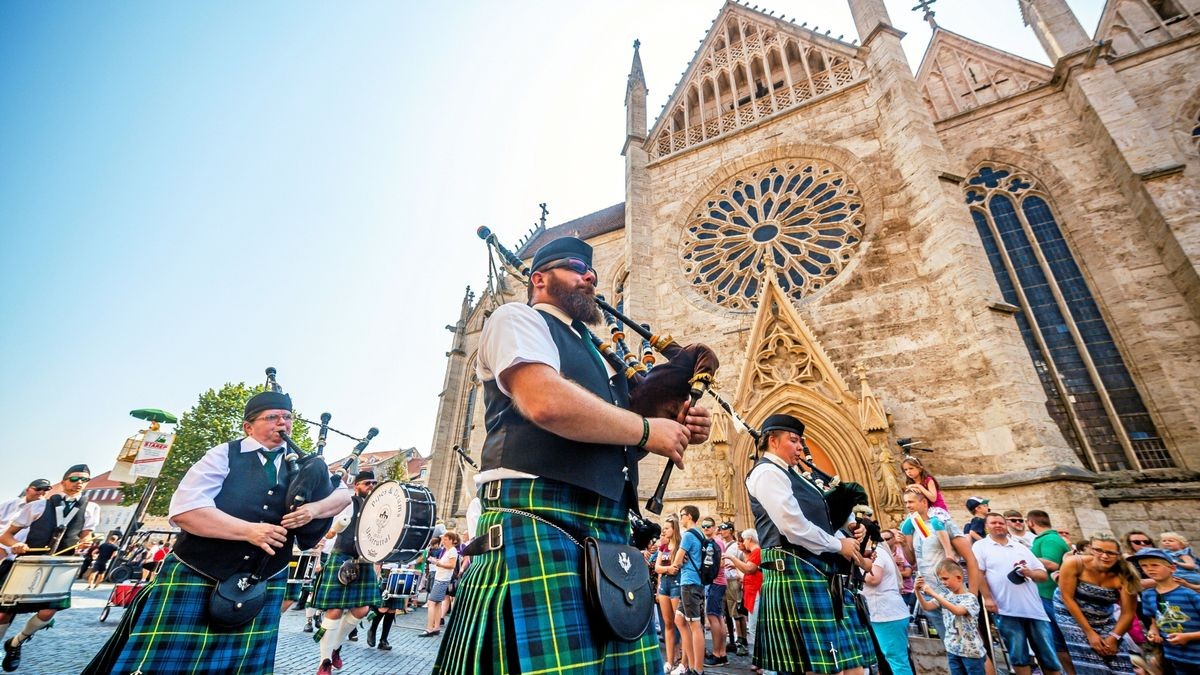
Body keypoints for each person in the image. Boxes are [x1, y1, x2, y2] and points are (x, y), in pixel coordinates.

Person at [431, 236, 710, 674]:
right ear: (539, 279)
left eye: (592, 271)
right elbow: (546, 402)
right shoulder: (516, 318)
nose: (591, 276)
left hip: (607, 535)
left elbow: (615, 448)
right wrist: (644, 430)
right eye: (577, 266)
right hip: (537, 520)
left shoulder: (604, 360)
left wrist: (674, 427)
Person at [82, 389, 351, 675]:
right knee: (167, 665)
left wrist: (314, 509)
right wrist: (249, 531)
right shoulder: (224, 454)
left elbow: (343, 496)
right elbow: (185, 511)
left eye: (287, 417)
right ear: (248, 426)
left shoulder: (303, 465)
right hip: (200, 572)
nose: (282, 423)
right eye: (272, 417)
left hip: (264, 578)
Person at [744, 413, 874, 675]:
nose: (801, 447)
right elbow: (792, 526)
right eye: (793, 440)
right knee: (821, 670)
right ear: (772, 440)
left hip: (820, 573)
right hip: (793, 571)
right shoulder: (767, 472)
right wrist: (840, 546)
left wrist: (848, 528)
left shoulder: (796, 474)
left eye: (800, 441)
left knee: (853, 667)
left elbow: (820, 513)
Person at [0, 464, 99, 672]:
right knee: (3, 613)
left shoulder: (91, 508)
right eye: (74, 478)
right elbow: (6, 536)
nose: (79, 482)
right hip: (28, 563)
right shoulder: (37, 506)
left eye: (84, 479)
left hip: (60, 566)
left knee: (48, 612)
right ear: (63, 482)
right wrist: (15, 545)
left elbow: (86, 535)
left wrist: (86, 542)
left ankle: (16, 643)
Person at [973, 512, 1063, 675]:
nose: (998, 525)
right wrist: (987, 598)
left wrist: (1030, 573)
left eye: (1001, 522)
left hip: (1034, 610)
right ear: (986, 527)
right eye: (993, 523)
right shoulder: (980, 546)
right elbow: (978, 573)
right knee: (1018, 656)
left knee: (1048, 656)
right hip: (1006, 608)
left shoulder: (1020, 547)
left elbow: (1042, 575)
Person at [311, 470, 380, 675]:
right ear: (357, 485)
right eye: (367, 483)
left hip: (364, 560)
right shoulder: (347, 502)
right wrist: (331, 532)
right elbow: (331, 525)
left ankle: (335, 647)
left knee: (361, 610)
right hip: (342, 556)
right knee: (335, 610)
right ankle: (324, 661)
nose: (371, 486)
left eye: (374, 483)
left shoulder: (378, 508)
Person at [1052, 533, 1140, 674]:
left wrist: (1114, 637)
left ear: (1118, 555)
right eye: (1099, 550)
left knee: (1115, 654)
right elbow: (1067, 598)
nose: (1104, 556)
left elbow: (1128, 612)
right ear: (1092, 550)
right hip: (1069, 612)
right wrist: (1089, 633)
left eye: (1110, 553)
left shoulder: (1125, 574)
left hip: (1102, 616)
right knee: (1090, 653)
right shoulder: (1075, 563)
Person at [1129, 547, 1200, 675]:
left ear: (1172, 568)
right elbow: (1154, 621)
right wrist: (1153, 632)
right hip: (1175, 656)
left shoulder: (1190, 595)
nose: (1149, 569)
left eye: (1155, 565)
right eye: (1143, 566)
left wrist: (1189, 636)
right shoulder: (1148, 595)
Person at [916, 559, 988, 675]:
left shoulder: (970, 598)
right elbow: (926, 607)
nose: (943, 583)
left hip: (971, 652)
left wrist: (933, 593)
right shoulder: (944, 595)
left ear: (959, 578)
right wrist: (917, 591)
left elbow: (958, 611)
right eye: (940, 580)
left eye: (945, 579)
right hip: (952, 650)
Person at [1029, 509, 1076, 671]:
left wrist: (1024, 556)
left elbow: (1052, 564)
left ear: (1030, 523)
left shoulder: (1050, 539)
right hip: (1047, 595)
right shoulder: (1045, 539)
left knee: (1060, 641)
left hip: (1052, 596)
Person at [861, 533, 914, 675]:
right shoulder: (877, 551)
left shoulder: (877, 552)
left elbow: (874, 579)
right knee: (893, 660)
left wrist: (855, 572)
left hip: (886, 614)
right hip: (885, 613)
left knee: (897, 661)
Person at [673, 506, 707, 674]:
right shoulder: (700, 534)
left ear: (690, 516)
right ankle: (692, 665)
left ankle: (698, 670)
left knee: (695, 625)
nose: (681, 519)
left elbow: (678, 561)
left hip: (689, 582)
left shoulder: (687, 535)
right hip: (696, 582)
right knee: (679, 620)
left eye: (682, 515)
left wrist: (673, 566)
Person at [698, 516, 728, 668]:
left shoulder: (716, 542)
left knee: (712, 616)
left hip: (716, 582)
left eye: (708, 526)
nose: (705, 528)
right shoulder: (716, 542)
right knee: (718, 617)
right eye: (703, 526)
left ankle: (717, 654)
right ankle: (722, 653)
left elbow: (719, 563)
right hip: (718, 582)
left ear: (714, 527)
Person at [654, 517, 682, 673]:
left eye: (667, 528)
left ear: (674, 529)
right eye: (663, 528)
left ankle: (683, 659)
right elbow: (657, 568)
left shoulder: (679, 545)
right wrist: (667, 569)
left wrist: (669, 569)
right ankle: (669, 661)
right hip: (664, 585)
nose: (664, 531)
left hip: (676, 584)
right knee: (668, 623)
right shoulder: (663, 546)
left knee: (680, 623)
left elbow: (677, 568)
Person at [716, 522, 748, 657]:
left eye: (724, 530)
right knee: (727, 613)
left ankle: (742, 642)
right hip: (723, 580)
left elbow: (745, 563)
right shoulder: (720, 544)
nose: (721, 532)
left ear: (730, 531)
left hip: (734, 580)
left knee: (737, 611)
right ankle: (732, 641)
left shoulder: (736, 546)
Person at [422, 531, 460, 638]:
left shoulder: (452, 551)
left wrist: (438, 563)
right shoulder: (448, 551)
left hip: (442, 580)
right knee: (437, 604)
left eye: (446, 539)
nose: (443, 541)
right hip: (441, 579)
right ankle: (436, 628)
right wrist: (437, 561)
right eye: (443, 539)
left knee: (431, 603)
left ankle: (429, 628)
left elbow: (452, 565)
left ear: (453, 541)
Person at [901, 456, 952, 524]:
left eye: (911, 468)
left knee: (935, 524)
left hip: (936, 509)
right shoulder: (911, 484)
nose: (908, 471)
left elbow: (933, 498)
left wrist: (919, 487)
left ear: (920, 469)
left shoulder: (928, 480)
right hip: (923, 511)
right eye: (906, 470)